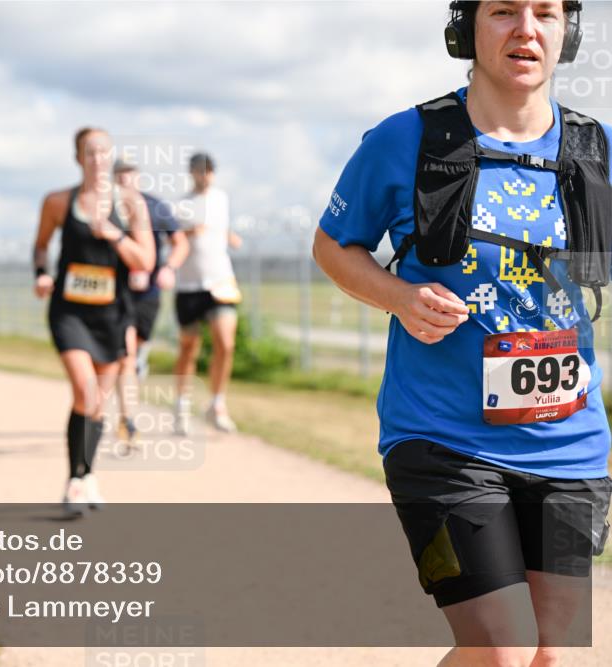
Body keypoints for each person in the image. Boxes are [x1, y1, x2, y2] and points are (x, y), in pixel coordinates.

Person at [313, 2, 611, 665]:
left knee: (549, 653)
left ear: (570, 31)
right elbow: (334, 246)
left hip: (570, 444)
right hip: (442, 438)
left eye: (546, 13)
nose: (527, 29)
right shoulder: (405, 140)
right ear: (466, 28)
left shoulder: (598, 150)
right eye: (505, 10)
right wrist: (398, 296)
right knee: (503, 646)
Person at [33, 127, 155, 515]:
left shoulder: (131, 204)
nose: (98, 158)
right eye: (90, 152)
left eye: (104, 151)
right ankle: (73, 481)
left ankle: (87, 475)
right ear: (78, 157)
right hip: (69, 312)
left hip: (112, 314)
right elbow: (40, 247)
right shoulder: (57, 202)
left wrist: (114, 236)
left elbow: (145, 261)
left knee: (98, 403)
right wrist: (41, 273)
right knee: (86, 393)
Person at [111, 159, 189, 444]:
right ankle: (127, 420)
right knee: (125, 355)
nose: (124, 183)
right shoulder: (108, 210)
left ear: (138, 178)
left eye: (128, 177)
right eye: (118, 178)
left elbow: (180, 242)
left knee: (137, 351)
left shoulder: (156, 207)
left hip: (149, 293)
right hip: (118, 293)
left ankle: (137, 366)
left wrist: (169, 268)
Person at [172, 152, 243, 434]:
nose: (205, 176)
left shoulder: (221, 199)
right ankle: (181, 406)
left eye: (209, 171)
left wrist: (230, 237)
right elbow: (172, 242)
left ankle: (217, 403)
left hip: (220, 283)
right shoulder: (180, 206)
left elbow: (220, 227)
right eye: (200, 171)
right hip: (189, 286)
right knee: (189, 348)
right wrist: (190, 233)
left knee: (225, 344)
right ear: (191, 173)